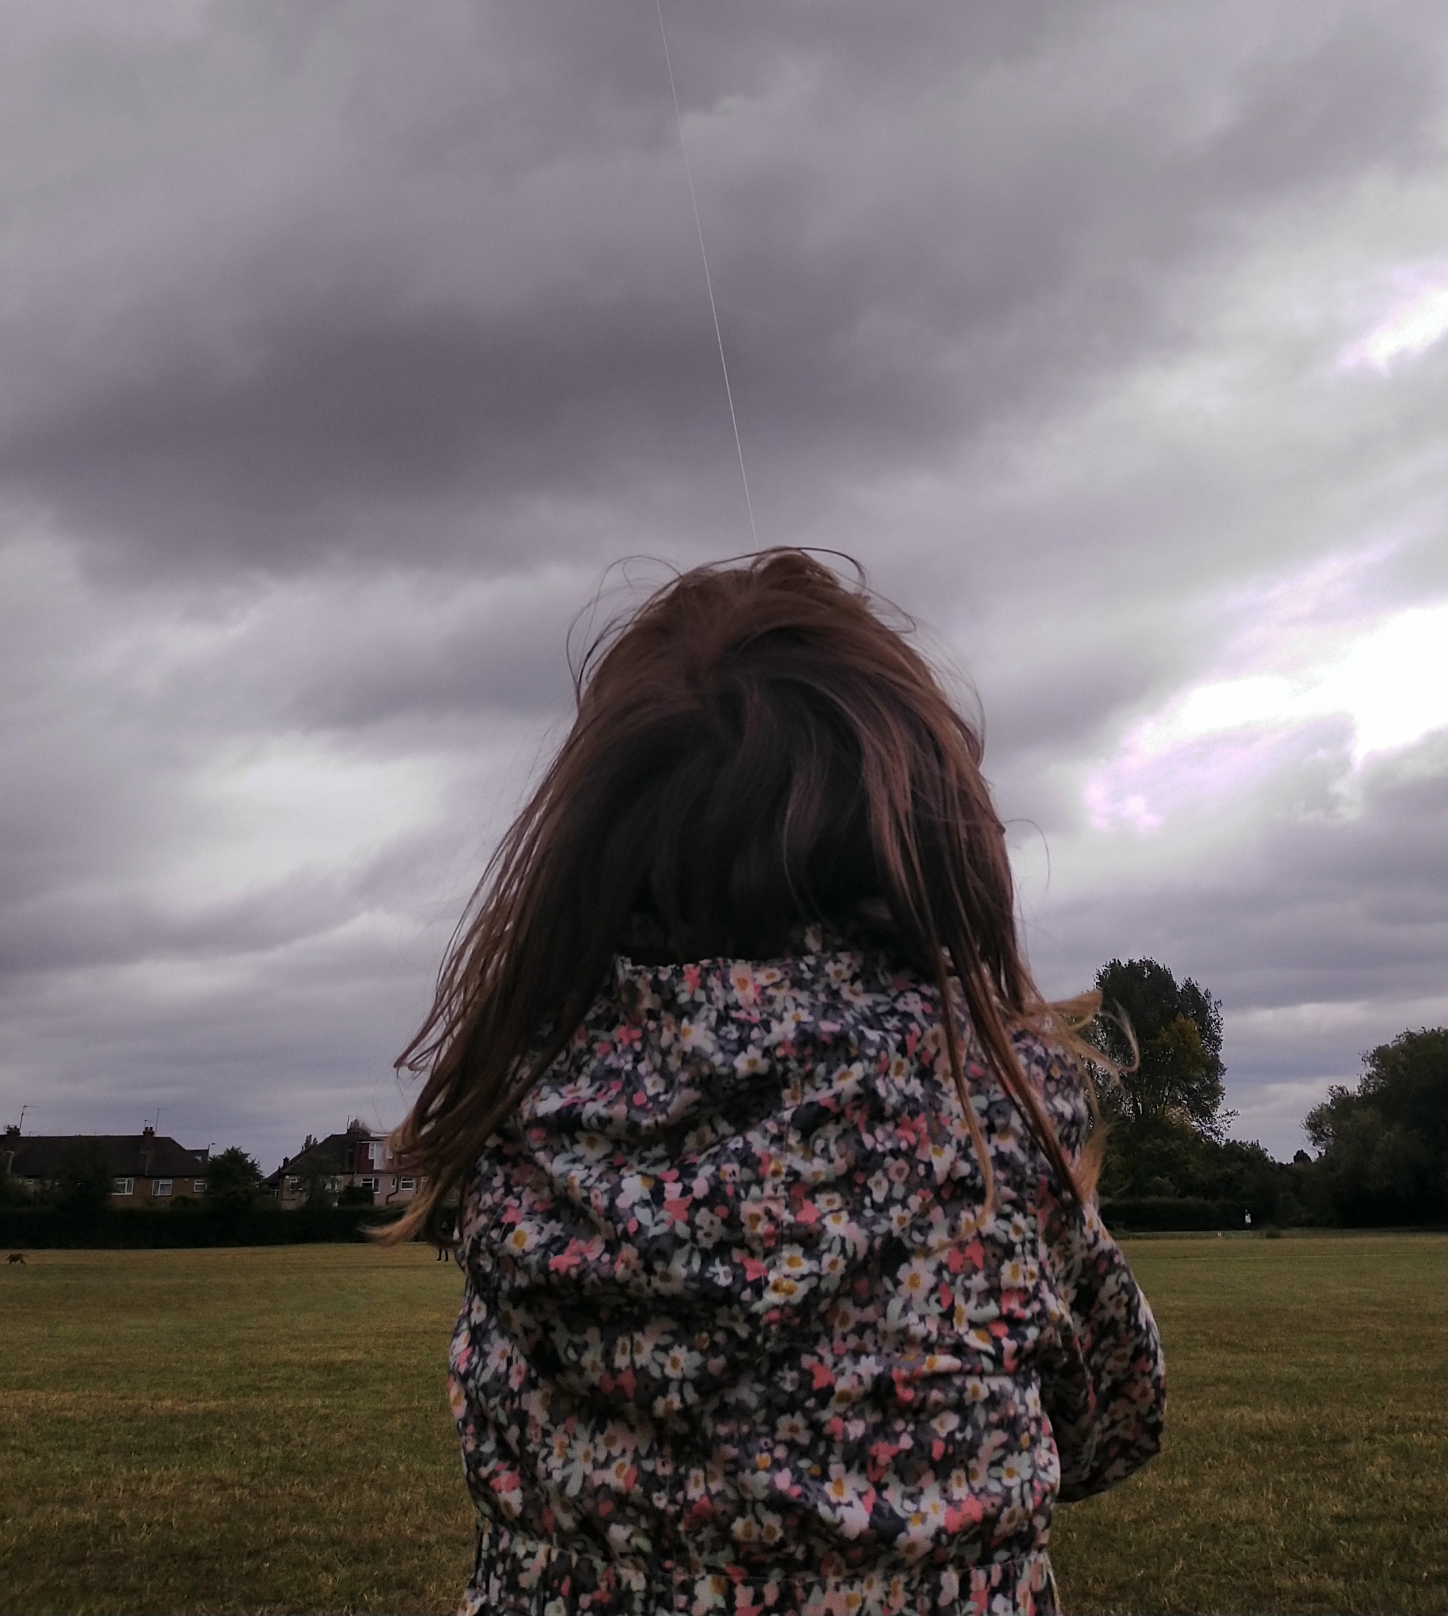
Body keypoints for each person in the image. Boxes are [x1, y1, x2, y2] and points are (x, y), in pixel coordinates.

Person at [387, 549, 1164, 1615]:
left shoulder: (521, 1113)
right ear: (936, 839)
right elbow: (1116, 1416)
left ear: (595, 843)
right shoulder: (990, 1117)